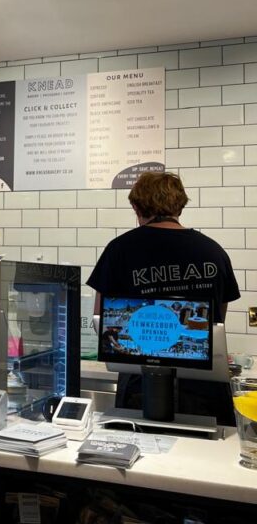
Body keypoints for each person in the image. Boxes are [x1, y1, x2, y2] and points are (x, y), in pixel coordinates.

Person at [87, 171, 240, 423]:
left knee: (143, 447)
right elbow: (217, 321)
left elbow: (100, 319)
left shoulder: (119, 250)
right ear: (180, 205)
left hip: (142, 385)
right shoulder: (213, 252)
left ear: (136, 207)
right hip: (203, 388)